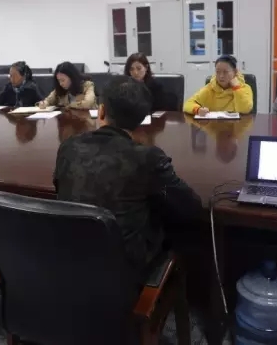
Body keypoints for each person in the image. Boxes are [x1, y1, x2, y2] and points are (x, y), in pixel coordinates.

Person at [53, 75, 206, 283]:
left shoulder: (69, 147)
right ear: (142, 120)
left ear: (102, 111)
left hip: (70, 259)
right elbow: (191, 207)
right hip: (123, 272)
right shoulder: (147, 157)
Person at [183, 55, 253, 115]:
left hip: (237, 125)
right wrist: (197, 110)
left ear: (235, 72)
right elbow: (187, 104)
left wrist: (236, 88)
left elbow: (244, 110)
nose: (221, 76)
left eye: (225, 72)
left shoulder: (245, 88)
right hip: (214, 125)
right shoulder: (210, 88)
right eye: (218, 72)